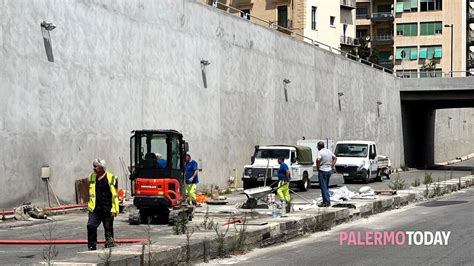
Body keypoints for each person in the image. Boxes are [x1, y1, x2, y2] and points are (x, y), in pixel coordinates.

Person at [86, 158, 119, 250]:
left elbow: (115, 195)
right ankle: (92, 246)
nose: (94, 168)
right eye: (93, 166)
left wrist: (114, 209)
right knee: (91, 225)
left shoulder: (111, 178)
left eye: (96, 167)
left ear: (101, 167)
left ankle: (109, 245)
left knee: (108, 228)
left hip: (107, 208)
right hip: (95, 208)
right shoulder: (92, 177)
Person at [316, 141, 337, 207]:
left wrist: (318, 167)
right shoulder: (328, 151)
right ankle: (327, 200)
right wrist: (332, 165)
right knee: (326, 186)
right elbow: (335, 158)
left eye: (317, 147)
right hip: (329, 170)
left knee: (323, 187)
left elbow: (318, 159)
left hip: (323, 170)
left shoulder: (320, 152)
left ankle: (326, 202)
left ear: (319, 146)